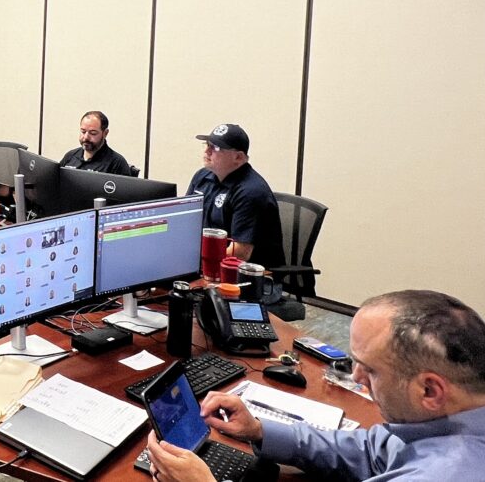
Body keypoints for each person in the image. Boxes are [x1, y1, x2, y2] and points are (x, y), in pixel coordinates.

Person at [146, 289, 485, 482]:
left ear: (429, 390)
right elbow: (370, 451)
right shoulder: (441, 419)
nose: (355, 378)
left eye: (370, 370)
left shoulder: (448, 473)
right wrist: (260, 430)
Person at [186, 124, 284, 268]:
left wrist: (197, 259)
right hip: (206, 264)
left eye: (216, 147)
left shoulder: (251, 191)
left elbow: (240, 252)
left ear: (238, 157)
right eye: (207, 144)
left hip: (250, 277)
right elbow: (186, 222)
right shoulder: (202, 177)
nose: (207, 151)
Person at [59, 111, 135, 176]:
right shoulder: (70, 156)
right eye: (83, 131)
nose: (86, 137)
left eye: (93, 133)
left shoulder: (116, 163)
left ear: (105, 133)